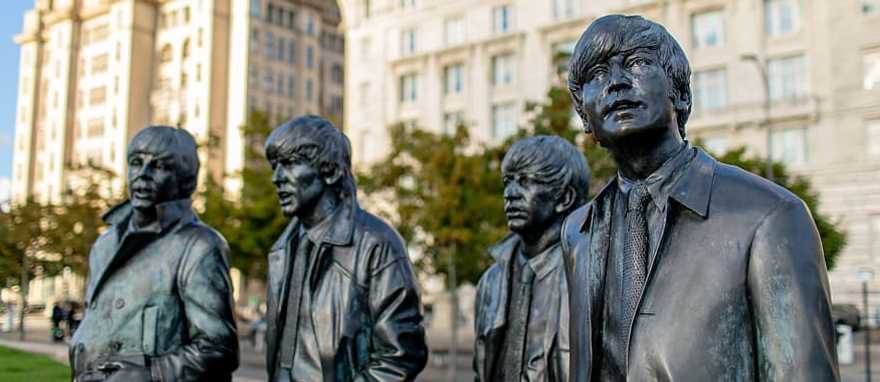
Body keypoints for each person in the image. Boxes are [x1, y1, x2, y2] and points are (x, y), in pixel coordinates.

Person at [562, 15, 839, 381]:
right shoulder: (578, 232)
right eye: (597, 74)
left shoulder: (769, 216)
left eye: (637, 63)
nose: (615, 82)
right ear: (584, 116)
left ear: (681, 93)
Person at [263, 115, 428, 381]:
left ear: (329, 171)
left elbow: (400, 356)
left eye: (291, 164)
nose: (277, 178)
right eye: (275, 166)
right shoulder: (282, 250)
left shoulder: (376, 244)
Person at [70, 126, 239, 381]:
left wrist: (151, 374)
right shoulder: (104, 245)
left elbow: (219, 349)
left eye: (158, 166)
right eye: (136, 163)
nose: (143, 175)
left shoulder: (199, 246)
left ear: (183, 178)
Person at [473, 136, 589, 381]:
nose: (510, 194)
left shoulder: (590, 274)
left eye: (526, 181)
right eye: (508, 182)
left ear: (565, 198)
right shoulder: (491, 281)